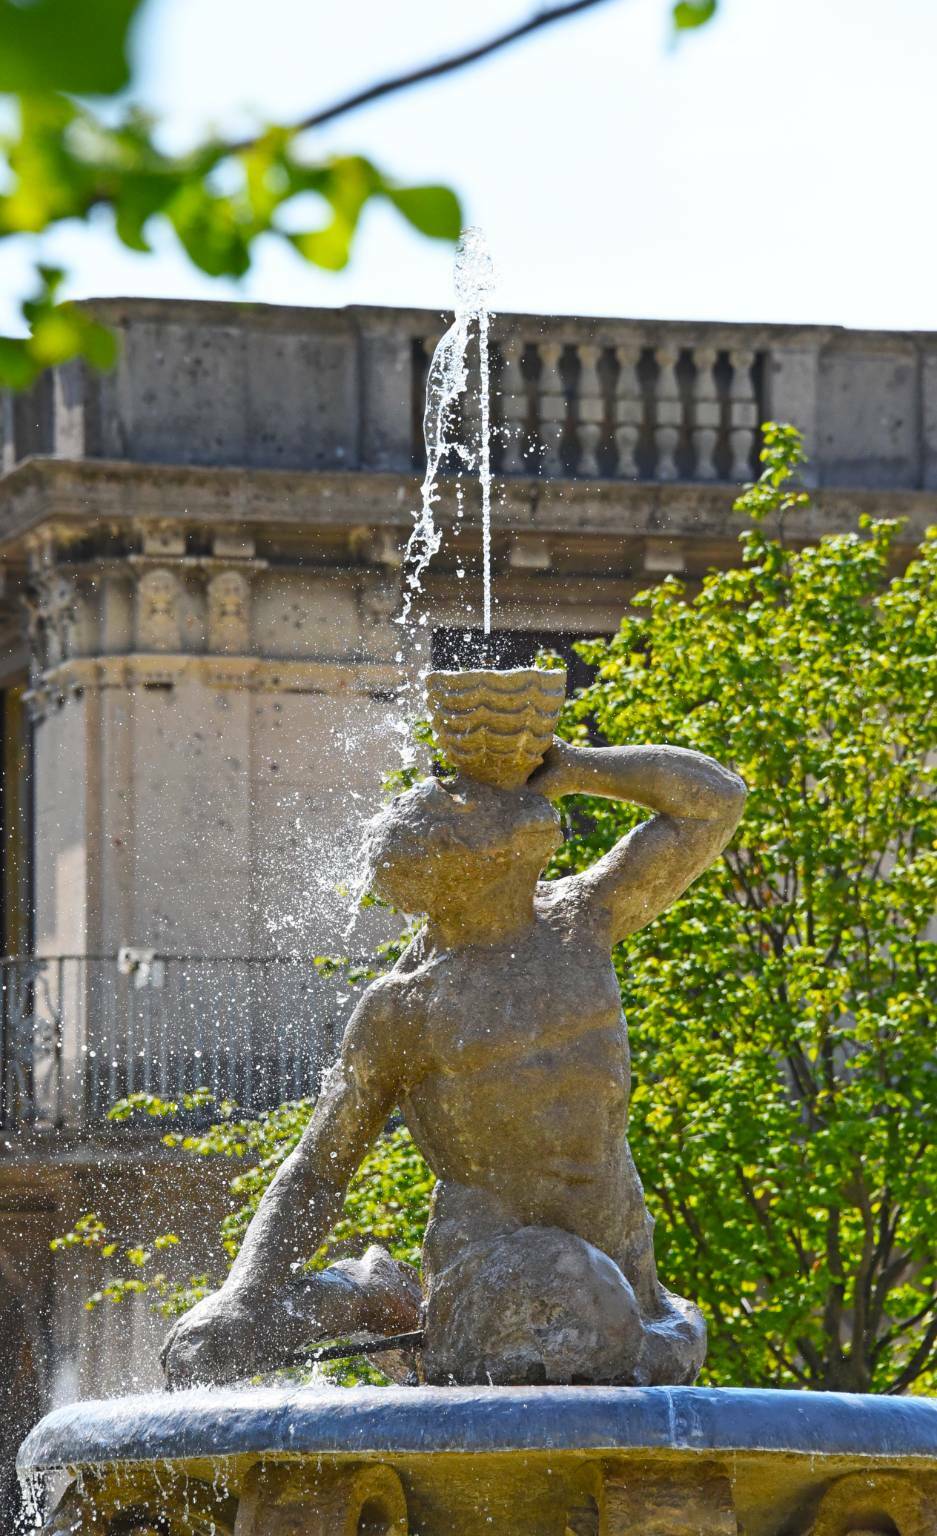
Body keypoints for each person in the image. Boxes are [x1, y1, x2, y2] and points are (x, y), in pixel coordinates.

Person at [163, 735, 745, 1388]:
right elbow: (318, 1169)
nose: (516, 802)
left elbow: (715, 801)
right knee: (568, 1333)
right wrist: (244, 1293)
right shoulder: (408, 1006)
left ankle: (381, 1298)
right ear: (462, 866)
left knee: (642, 1352)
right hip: (497, 1265)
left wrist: (578, 766)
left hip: (620, 1269)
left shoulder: (582, 920)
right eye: (475, 810)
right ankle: (354, 1297)